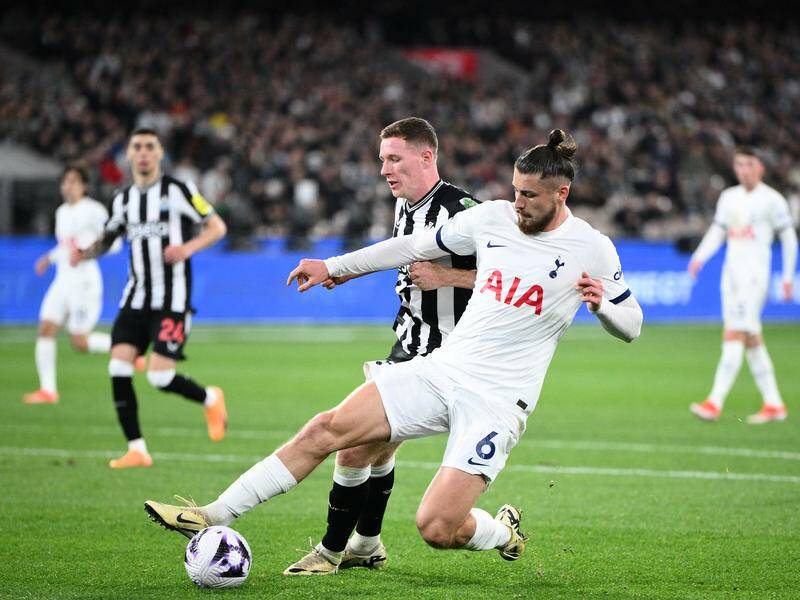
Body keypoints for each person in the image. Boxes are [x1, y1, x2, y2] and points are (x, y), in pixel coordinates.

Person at [144, 129, 642, 572]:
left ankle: (502, 531)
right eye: (515, 190)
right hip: (443, 369)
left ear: (561, 193)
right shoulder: (493, 218)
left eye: (529, 195)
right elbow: (409, 247)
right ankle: (212, 513)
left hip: (498, 400)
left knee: (437, 528)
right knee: (326, 428)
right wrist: (335, 267)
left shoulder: (592, 248)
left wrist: (602, 307)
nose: (518, 203)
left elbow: (632, 325)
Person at [286, 117, 480, 575]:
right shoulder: (405, 205)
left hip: (448, 355)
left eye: (394, 159)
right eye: (382, 160)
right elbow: (397, 253)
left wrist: (447, 276)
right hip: (408, 341)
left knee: (353, 448)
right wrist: (344, 272)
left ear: (426, 157)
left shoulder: (463, 211)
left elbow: (509, 278)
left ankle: (331, 552)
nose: (384, 170)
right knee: (377, 448)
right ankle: (367, 544)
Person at [71, 128, 228, 468]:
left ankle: (210, 398)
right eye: (137, 147)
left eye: (149, 147)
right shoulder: (122, 199)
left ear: (159, 154)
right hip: (135, 298)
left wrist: (187, 248)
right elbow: (108, 237)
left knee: (159, 377)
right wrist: (84, 253)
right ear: (128, 155)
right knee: (118, 366)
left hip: (172, 301)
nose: (143, 152)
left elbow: (217, 226)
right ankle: (137, 449)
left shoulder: (179, 190)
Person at [688, 147, 797, 424]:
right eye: (739, 164)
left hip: (754, 278)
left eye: (749, 164)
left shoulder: (772, 200)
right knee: (751, 338)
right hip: (731, 277)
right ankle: (774, 404)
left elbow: (788, 239)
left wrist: (787, 276)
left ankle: (714, 402)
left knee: (734, 333)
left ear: (761, 167)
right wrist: (699, 257)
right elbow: (718, 231)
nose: (743, 170)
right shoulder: (729, 197)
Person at [23, 165, 129, 404]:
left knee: (79, 342)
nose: (68, 186)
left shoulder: (94, 210)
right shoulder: (61, 212)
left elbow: (114, 243)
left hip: (84, 281)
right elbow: (65, 246)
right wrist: (49, 258)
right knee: (46, 328)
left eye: (73, 181)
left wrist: (87, 253)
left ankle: (128, 348)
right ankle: (48, 390)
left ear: (84, 185)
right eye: (65, 181)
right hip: (63, 279)